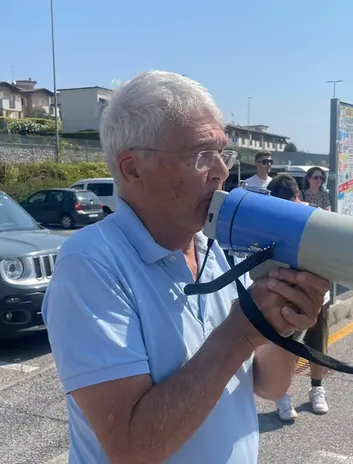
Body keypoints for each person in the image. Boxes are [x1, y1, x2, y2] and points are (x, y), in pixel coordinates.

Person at [42, 70, 329, 464]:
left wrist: (284, 321)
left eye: (221, 153)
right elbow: (131, 447)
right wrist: (242, 332)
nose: (223, 172)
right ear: (132, 168)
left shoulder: (218, 248)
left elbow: (269, 385)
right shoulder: (90, 264)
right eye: (201, 155)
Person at [267, 174, 331, 420]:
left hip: (317, 295)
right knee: (284, 348)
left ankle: (317, 389)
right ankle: (281, 395)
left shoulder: (316, 216)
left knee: (317, 347)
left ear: (297, 196)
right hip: (286, 295)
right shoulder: (271, 218)